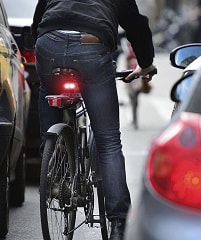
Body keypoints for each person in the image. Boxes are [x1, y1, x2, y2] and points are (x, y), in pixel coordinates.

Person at [31, 0, 157, 239]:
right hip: (92, 46)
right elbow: (135, 25)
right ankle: (119, 223)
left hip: (49, 44)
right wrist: (145, 64)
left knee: (46, 90)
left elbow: (38, 22)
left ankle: (53, 162)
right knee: (109, 142)